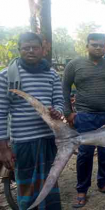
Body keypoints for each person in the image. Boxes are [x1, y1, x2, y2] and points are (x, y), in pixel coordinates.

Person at [63, 33, 105, 208]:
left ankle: (103, 183)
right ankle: (82, 190)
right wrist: (68, 112)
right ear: (87, 46)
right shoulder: (74, 65)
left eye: (101, 45)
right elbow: (64, 88)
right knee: (85, 153)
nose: (98, 48)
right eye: (94, 45)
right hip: (85, 115)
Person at [0, 32, 63, 210]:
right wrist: (3, 148)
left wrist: (57, 112)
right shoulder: (6, 76)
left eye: (34, 47)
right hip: (23, 143)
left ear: (42, 50)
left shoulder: (52, 74)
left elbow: (59, 101)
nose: (30, 51)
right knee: (27, 188)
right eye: (25, 48)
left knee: (50, 183)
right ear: (19, 50)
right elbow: (1, 112)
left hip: (49, 139)